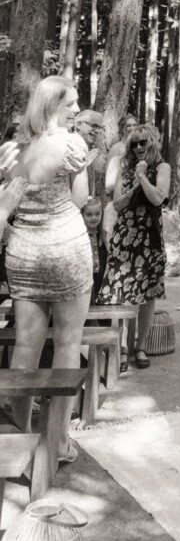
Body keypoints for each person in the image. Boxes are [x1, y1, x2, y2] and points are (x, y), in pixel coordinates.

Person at [4, 76, 92, 463]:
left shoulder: (10, 150)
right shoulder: (72, 145)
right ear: (51, 106)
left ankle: (15, 442)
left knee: (25, 346)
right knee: (68, 343)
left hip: (23, 254)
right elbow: (80, 199)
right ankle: (58, 442)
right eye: (70, 104)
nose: (76, 110)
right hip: (65, 252)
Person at [96, 123, 170, 371]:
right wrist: (133, 184)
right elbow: (117, 204)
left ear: (152, 143)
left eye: (143, 142)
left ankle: (141, 346)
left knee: (148, 294)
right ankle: (122, 347)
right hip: (126, 235)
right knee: (123, 292)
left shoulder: (162, 167)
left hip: (150, 236)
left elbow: (159, 198)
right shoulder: (123, 167)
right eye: (134, 143)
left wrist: (142, 177)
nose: (138, 147)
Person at [101, 114, 138, 248]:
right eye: (128, 125)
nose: (132, 128)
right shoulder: (116, 148)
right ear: (122, 128)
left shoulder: (138, 147)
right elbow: (110, 177)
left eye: (134, 125)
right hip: (117, 196)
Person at [82, 196, 106, 301]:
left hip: (99, 279)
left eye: (97, 214)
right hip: (84, 280)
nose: (94, 218)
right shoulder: (80, 236)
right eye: (89, 214)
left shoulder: (102, 236)